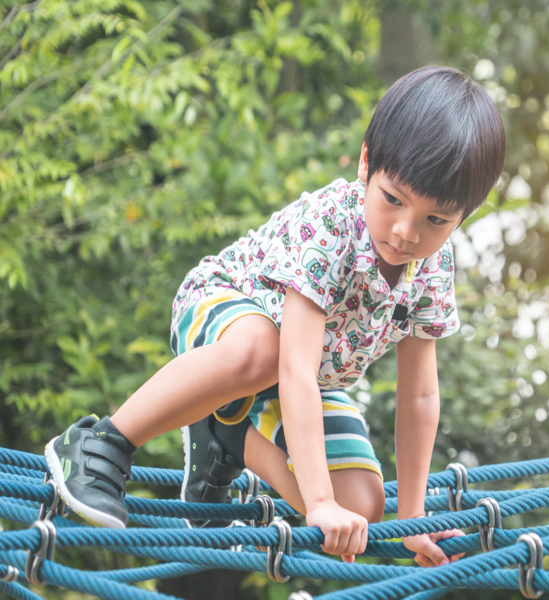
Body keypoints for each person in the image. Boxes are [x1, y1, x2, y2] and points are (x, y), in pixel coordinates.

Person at [44, 65, 505, 567]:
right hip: (224, 313)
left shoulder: (432, 267)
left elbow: (418, 394)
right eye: (392, 199)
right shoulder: (332, 227)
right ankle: (101, 442)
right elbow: (292, 366)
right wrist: (319, 502)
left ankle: (226, 438)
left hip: (306, 378)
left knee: (364, 509)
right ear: (365, 163)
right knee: (263, 351)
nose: (405, 231)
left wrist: (413, 519)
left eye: (435, 220)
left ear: (464, 217)